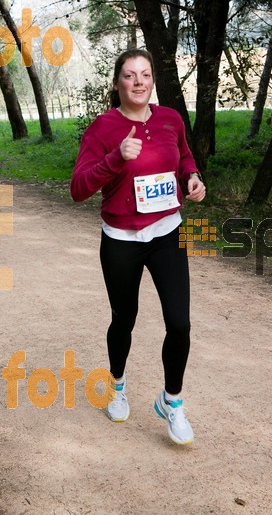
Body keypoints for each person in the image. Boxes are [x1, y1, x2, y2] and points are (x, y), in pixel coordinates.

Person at [70, 49, 206, 445]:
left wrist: (192, 177)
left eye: (145, 74)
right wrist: (115, 158)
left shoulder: (171, 119)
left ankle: (172, 402)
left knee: (179, 322)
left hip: (167, 232)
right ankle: (118, 387)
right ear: (117, 84)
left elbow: (183, 155)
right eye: (130, 75)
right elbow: (78, 189)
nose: (139, 81)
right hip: (121, 240)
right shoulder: (102, 128)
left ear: (152, 81)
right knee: (123, 320)